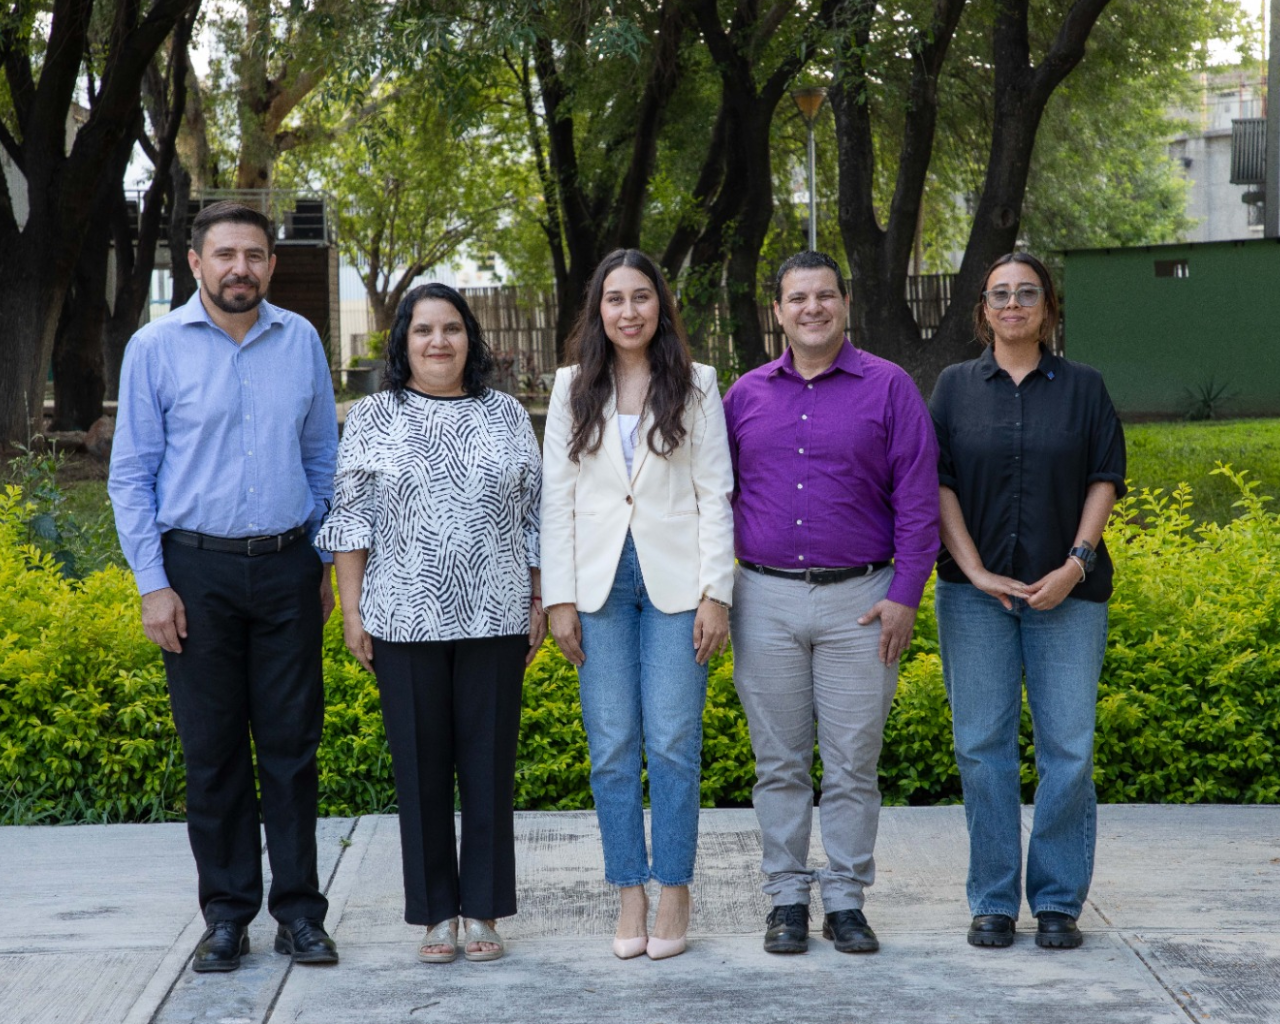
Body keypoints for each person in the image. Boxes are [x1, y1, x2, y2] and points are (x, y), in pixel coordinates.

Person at [109, 201, 340, 972]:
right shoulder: (154, 347)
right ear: (197, 264)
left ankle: (301, 913)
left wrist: (320, 562)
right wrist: (153, 585)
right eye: (225, 254)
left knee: (291, 748)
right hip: (194, 572)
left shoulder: (300, 340)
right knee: (211, 754)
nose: (240, 267)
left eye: (254, 254)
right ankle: (228, 915)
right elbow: (131, 475)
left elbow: (323, 463)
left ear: (271, 266)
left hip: (286, 568)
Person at [318, 283, 544, 965]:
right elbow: (351, 520)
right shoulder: (372, 416)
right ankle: (434, 915)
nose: (438, 342)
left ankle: (482, 911)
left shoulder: (506, 413)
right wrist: (353, 611)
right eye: (423, 331)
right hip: (403, 618)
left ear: (470, 338)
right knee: (420, 772)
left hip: (496, 617)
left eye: (451, 328)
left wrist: (537, 602)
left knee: (487, 770)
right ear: (403, 342)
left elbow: (534, 518)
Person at [723, 250, 939, 956]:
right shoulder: (744, 397)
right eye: (797, 298)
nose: (811, 308)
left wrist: (906, 595)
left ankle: (845, 900)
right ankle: (786, 898)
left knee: (852, 761)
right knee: (779, 762)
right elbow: (707, 499)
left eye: (824, 296)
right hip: (765, 600)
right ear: (777, 312)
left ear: (845, 303)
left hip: (863, 602)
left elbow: (916, 500)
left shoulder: (890, 387)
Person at [541, 249, 734, 962]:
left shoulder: (698, 383)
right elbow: (555, 498)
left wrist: (718, 592)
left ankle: (675, 888)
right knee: (614, 745)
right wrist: (559, 598)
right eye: (615, 299)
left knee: (675, 742)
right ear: (598, 308)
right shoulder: (571, 387)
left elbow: (715, 494)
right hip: (598, 589)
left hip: (678, 586)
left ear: (661, 306)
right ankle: (629, 890)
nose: (629, 312)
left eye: (641, 298)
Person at [930, 252, 1125, 950]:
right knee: (982, 749)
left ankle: (1056, 902)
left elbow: (1106, 475)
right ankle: (990, 900)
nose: (1013, 304)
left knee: (1067, 750)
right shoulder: (954, 388)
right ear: (983, 309)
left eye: (1027, 293)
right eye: (1000, 294)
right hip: (974, 599)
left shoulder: (1084, 388)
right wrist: (975, 569)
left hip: (1066, 598)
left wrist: (1077, 563)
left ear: (1048, 306)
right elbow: (940, 481)